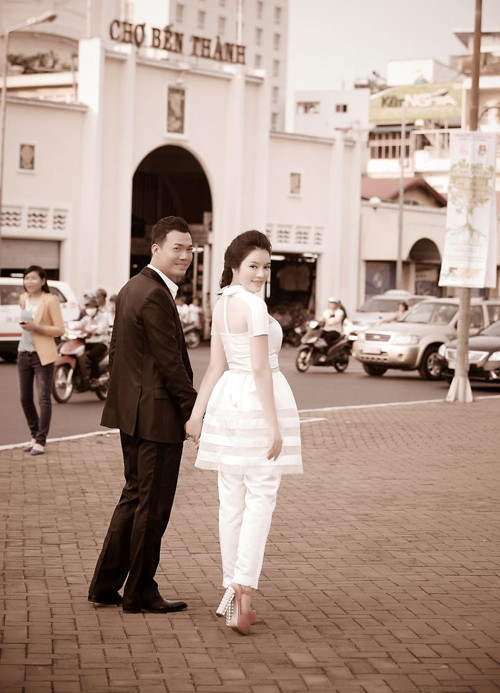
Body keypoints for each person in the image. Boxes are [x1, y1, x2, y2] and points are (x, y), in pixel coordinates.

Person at [185, 230, 302, 635]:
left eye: (266, 267)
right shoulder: (252, 304)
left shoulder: (222, 303)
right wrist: (273, 424)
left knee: (232, 501)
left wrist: (198, 415)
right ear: (234, 265)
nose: (261, 274)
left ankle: (233, 589)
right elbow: (259, 368)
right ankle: (243, 591)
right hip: (255, 401)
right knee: (260, 498)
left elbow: (216, 367)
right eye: (254, 266)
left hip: (228, 402)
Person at [88, 216, 198, 613]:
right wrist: (193, 412)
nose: (185, 256)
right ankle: (139, 592)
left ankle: (105, 586)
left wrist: (123, 405)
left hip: (133, 414)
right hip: (158, 418)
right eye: (177, 248)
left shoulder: (131, 287)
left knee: (133, 497)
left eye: (190, 249)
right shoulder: (154, 294)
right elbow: (171, 364)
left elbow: (118, 351)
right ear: (156, 248)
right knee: (152, 507)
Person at [17, 265, 65, 456]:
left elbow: (60, 329)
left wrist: (37, 327)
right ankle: (34, 434)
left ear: (43, 281)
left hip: (42, 355)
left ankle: (41, 440)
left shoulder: (50, 300)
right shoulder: (23, 298)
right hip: (23, 353)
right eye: (26, 278)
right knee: (25, 398)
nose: (29, 282)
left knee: (44, 398)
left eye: (33, 278)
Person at [70, 297, 110, 383]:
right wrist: (69, 329)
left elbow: (100, 329)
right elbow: (78, 326)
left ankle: (95, 377)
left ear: (96, 308)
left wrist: (91, 331)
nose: (89, 309)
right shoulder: (86, 318)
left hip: (101, 343)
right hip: (88, 343)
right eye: (88, 307)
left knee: (93, 355)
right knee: (77, 352)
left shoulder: (102, 318)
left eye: (91, 307)